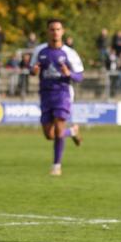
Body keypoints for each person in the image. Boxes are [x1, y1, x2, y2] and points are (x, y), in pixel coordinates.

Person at [31, 19, 83, 176]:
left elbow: (80, 76)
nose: (55, 32)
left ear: (63, 31)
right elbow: (32, 69)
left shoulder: (70, 53)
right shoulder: (40, 51)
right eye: (52, 29)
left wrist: (70, 74)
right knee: (49, 135)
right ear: (48, 31)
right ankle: (72, 132)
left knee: (59, 127)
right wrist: (33, 71)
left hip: (63, 93)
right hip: (46, 94)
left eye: (58, 29)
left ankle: (56, 166)